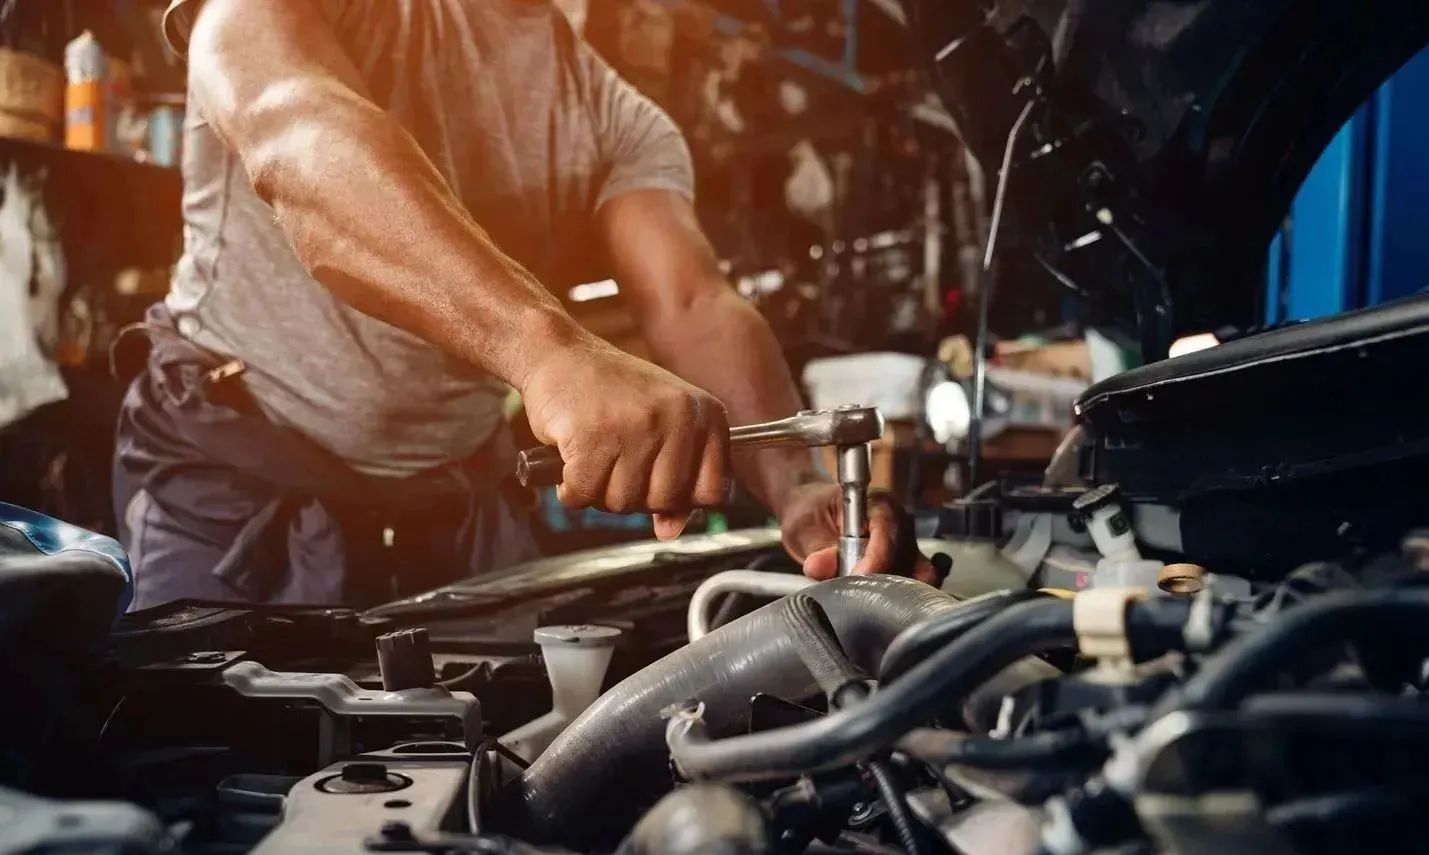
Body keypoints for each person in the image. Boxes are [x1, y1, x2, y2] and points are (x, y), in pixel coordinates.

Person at [113, 0, 932, 612]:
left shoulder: (618, 120)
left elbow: (691, 302)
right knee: (202, 787)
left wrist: (795, 484)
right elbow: (294, 136)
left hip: (452, 507)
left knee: (488, 785)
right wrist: (550, 353)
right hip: (232, 486)